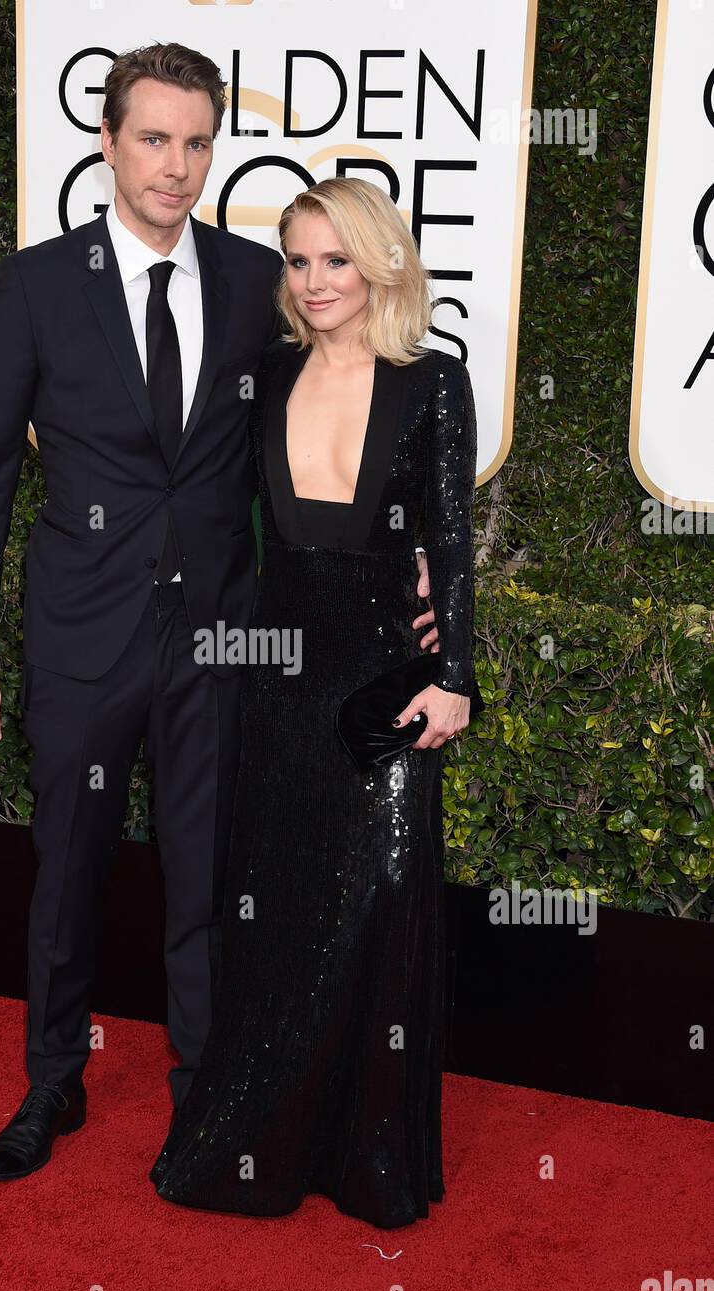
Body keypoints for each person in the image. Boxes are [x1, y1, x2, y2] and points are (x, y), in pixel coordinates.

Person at [0, 42, 439, 1184]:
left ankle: (205, 1089)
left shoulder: (245, 278)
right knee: (66, 866)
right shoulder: (34, 285)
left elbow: (331, 415)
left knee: (210, 875)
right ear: (110, 143)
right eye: (153, 139)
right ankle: (52, 1081)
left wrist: (406, 551)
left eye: (197, 142)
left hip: (222, 636)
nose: (176, 165)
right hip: (82, 631)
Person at [150, 177, 478, 1230]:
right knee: (282, 901)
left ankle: (366, 1151)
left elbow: (449, 540)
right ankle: (264, 1138)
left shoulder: (434, 383)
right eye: (296, 260)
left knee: (378, 895)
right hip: (281, 671)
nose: (314, 280)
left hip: (383, 669)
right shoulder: (268, 371)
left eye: (335, 258)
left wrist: (455, 675)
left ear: (379, 261)